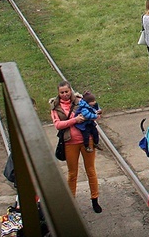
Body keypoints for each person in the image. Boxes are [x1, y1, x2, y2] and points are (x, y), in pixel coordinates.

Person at [50, 80, 102, 213]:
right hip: (69, 142)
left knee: (91, 170)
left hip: (87, 140)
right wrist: (75, 120)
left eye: (67, 91)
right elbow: (58, 125)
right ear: (58, 93)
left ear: (71, 91)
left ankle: (95, 199)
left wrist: (95, 114)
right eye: (62, 92)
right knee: (72, 173)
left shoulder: (80, 101)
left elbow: (95, 115)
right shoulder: (55, 106)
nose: (65, 94)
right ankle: (71, 202)